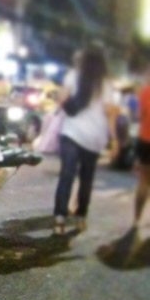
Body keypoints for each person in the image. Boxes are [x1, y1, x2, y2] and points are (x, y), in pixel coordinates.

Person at [53, 44, 116, 235]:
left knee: (66, 175)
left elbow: (62, 100)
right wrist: (114, 139)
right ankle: (81, 217)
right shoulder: (106, 84)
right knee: (86, 179)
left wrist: (62, 100)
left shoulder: (73, 76)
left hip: (72, 133)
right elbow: (109, 112)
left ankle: (60, 218)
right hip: (95, 137)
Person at [134, 67, 150, 229]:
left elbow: (140, 116)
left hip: (145, 140)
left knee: (143, 181)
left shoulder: (146, 92)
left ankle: (137, 219)